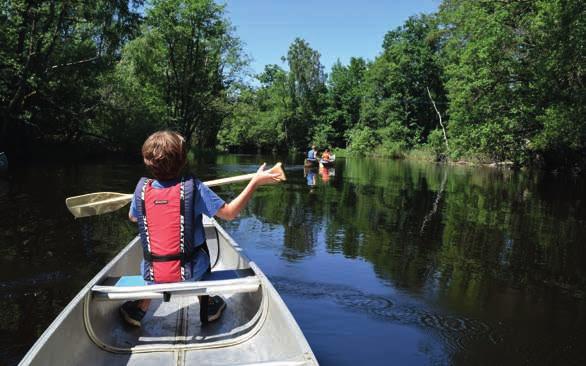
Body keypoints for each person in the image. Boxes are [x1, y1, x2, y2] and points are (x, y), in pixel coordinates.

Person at [119, 131, 280, 327]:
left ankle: (139, 308)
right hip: (190, 273)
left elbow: (133, 217)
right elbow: (229, 214)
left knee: (156, 249)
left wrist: (146, 203)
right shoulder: (194, 188)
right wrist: (254, 182)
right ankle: (208, 304)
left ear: (146, 161)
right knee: (198, 246)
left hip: (152, 273)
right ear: (183, 160)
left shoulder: (142, 190)